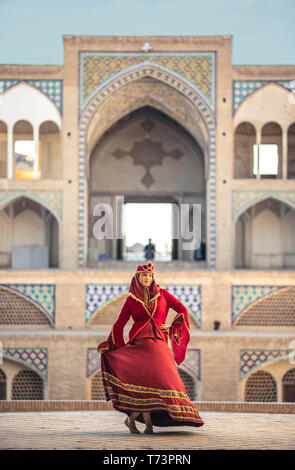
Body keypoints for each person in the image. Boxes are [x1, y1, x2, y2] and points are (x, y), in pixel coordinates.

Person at [97, 261, 204, 434]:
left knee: (165, 380)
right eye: (144, 275)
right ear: (138, 277)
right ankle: (144, 423)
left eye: (150, 275)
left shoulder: (163, 294)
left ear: (153, 277)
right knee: (145, 384)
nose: (147, 278)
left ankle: (141, 419)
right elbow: (119, 325)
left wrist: (171, 328)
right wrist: (121, 349)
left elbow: (182, 309)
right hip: (140, 345)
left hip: (159, 343)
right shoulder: (131, 300)